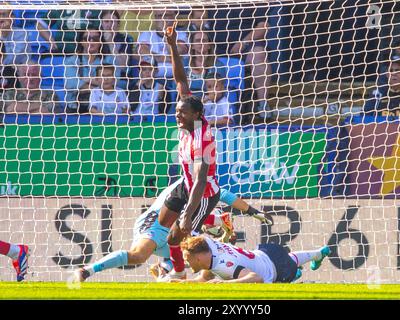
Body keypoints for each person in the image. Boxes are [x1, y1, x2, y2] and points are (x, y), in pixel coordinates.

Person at [71, 178, 270, 283]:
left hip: (173, 230)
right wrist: (250, 211)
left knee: (192, 255)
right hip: (157, 224)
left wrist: (222, 231)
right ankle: (86, 271)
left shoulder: (202, 196)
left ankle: (164, 270)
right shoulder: (193, 182)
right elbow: (222, 195)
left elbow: (206, 219)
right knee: (138, 256)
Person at [152, 26, 221, 281]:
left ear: (196, 115)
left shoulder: (203, 139)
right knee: (163, 222)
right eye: (177, 110)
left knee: (177, 234)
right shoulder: (189, 114)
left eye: (181, 113)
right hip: (186, 184)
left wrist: (188, 215)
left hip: (203, 193)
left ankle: (181, 274)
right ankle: (211, 222)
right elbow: (181, 81)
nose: (177, 115)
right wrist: (171, 45)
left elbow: (201, 181)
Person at [170, 235, 330, 283]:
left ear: (198, 257)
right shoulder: (208, 245)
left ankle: (294, 275)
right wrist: (181, 283)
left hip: (276, 270)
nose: (185, 262)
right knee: (291, 258)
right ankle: (318, 253)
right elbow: (202, 280)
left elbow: (256, 277)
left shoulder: (224, 266)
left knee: (289, 265)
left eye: (187, 258)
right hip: (268, 252)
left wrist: (225, 283)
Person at [209, 5, 274, 120]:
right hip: (215, 50)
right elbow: (199, 19)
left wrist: (242, 43)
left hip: (246, 48)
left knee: (259, 54)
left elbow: (263, 26)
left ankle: (263, 105)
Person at [137, 9, 189, 79]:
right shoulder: (147, 34)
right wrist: (169, 59)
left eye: (166, 15)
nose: (163, 19)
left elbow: (177, 52)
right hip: (152, 77)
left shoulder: (182, 34)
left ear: (174, 17)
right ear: (155, 19)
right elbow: (143, 52)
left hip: (177, 77)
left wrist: (166, 33)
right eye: (159, 16)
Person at [100, 10, 135, 90]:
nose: (109, 25)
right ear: (101, 23)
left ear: (118, 24)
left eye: (112, 22)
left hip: (120, 81)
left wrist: (110, 42)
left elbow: (123, 65)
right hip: (99, 79)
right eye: (106, 21)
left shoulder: (126, 39)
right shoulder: (96, 37)